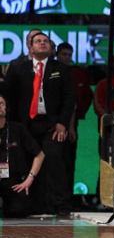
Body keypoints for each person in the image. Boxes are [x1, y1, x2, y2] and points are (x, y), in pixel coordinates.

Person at [1, 32, 76, 217]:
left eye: (45, 42)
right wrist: (13, 127)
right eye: (38, 41)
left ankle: (61, 205)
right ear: (30, 47)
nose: (42, 44)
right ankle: (36, 205)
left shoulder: (62, 69)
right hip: (26, 125)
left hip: (52, 125)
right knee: (27, 163)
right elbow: (9, 97)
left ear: (51, 47)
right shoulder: (18, 69)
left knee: (54, 160)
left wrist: (62, 123)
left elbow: (69, 98)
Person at [58, 42, 93, 208]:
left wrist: (79, 115)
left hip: (71, 123)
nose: (67, 57)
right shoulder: (50, 71)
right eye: (63, 54)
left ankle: (68, 200)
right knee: (52, 162)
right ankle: (51, 200)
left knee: (69, 161)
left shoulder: (78, 74)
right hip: (50, 124)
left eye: (69, 54)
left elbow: (84, 97)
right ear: (57, 54)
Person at [0, 94, 45, 218]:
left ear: (6, 109)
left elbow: (39, 155)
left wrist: (29, 179)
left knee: (20, 210)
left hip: (13, 179)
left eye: (1, 103)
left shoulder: (17, 129)